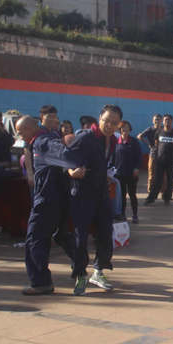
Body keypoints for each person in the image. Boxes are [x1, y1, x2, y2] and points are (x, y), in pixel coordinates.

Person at [15, 116, 78, 295]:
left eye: (21, 132)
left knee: (34, 239)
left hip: (47, 199)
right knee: (61, 234)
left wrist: (73, 149)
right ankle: (80, 264)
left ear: (30, 128)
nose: (20, 136)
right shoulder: (42, 140)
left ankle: (40, 282)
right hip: (59, 197)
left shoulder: (43, 142)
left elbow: (66, 154)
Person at [65, 104, 122, 291]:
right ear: (99, 119)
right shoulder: (85, 137)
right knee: (81, 235)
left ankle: (98, 271)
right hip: (83, 192)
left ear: (119, 124)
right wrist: (71, 171)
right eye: (106, 121)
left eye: (114, 122)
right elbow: (65, 157)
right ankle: (80, 273)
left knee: (106, 231)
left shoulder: (113, 140)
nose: (109, 125)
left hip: (101, 192)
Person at [145, 114, 173, 206]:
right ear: (163, 121)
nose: (167, 121)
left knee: (170, 180)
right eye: (165, 120)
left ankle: (167, 198)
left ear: (172, 121)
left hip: (171, 161)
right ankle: (151, 198)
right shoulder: (159, 132)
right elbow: (156, 144)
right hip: (159, 161)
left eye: (169, 120)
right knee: (156, 180)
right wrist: (156, 156)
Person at [115, 120, 142, 223]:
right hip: (119, 174)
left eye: (127, 129)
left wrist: (136, 168)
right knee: (122, 196)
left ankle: (135, 215)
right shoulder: (116, 142)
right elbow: (112, 158)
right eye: (123, 129)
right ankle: (122, 214)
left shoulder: (134, 142)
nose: (125, 131)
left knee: (132, 194)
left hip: (131, 174)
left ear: (130, 130)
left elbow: (139, 157)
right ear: (120, 130)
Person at [139, 113, 162, 194]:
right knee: (151, 173)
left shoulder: (163, 129)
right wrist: (148, 144)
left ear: (161, 121)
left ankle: (161, 190)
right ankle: (150, 190)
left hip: (162, 155)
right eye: (155, 119)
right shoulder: (150, 129)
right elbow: (140, 136)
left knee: (162, 173)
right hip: (153, 154)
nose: (157, 121)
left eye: (158, 119)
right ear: (153, 121)